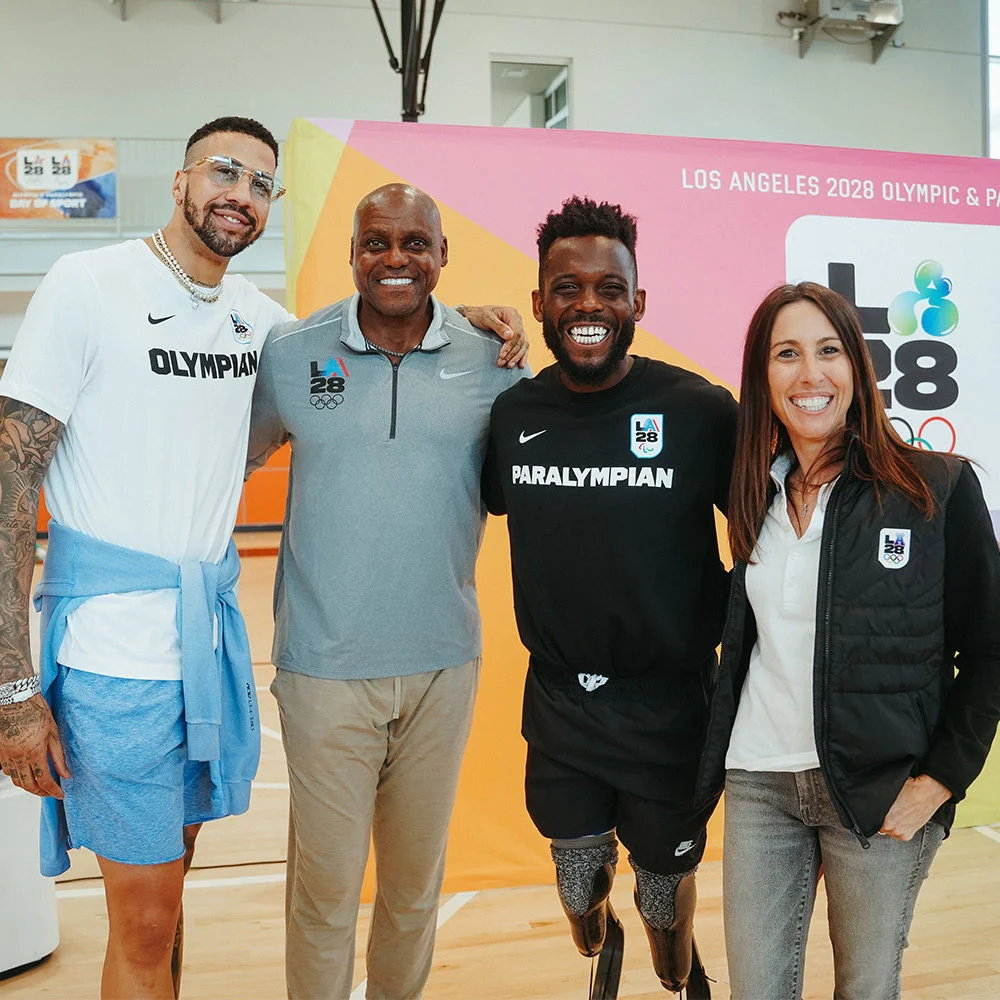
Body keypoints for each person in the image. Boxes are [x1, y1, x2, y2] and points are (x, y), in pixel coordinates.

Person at [0, 120, 524, 1000]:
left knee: (166, 913)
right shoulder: (86, 283)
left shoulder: (266, 328)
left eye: (259, 183)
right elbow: (11, 486)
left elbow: (372, 332)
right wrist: (13, 689)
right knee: (145, 919)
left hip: (209, 653)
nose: (239, 192)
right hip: (109, 656)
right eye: (223, 171)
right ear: (180, 180)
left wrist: (464, 318)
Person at [246, 182, 528, 1000]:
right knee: (325, 897)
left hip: (444, 666)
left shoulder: (494, 359)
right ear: (353, 253)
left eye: (414, 243)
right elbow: (225, 460)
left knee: (412, 894)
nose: (395, 259)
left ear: (443, 255)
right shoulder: (295, 353)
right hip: (324, 671)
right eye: (376, 242)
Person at [694, 282, 1000, 1000]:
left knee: (865, 990)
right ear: (761, 378)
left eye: (829, 351)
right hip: (760, 782)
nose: (810, 375)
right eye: (787, 355)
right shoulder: (754, 495)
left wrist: (941, 782)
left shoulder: (935, 489)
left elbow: (991, 651)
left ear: (857, 366)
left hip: (877, 787)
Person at [482, 196, 737, 999]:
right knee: (576, 885)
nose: (586, 305)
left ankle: (676, 966)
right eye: (566, 288)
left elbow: (781, 534)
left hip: (671, 709)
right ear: (538, 304)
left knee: (665, 898)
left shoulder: (699, 412)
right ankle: (603, 941)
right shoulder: (514, 413)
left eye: (608, 288)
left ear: (638, 303)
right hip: (561, 703)